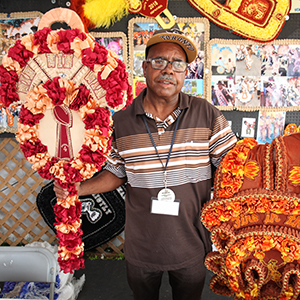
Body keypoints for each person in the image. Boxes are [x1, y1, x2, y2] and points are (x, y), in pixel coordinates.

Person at [54, 28, 237, 300]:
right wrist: (77, 188)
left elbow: (233, 166)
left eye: (178, 63)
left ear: (186, 72)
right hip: (142, 246)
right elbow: (117, 172)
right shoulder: (122, 121)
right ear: (145, 67)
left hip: (192, 243)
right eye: (159, 61)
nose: (168, 70)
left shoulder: (206, 114)